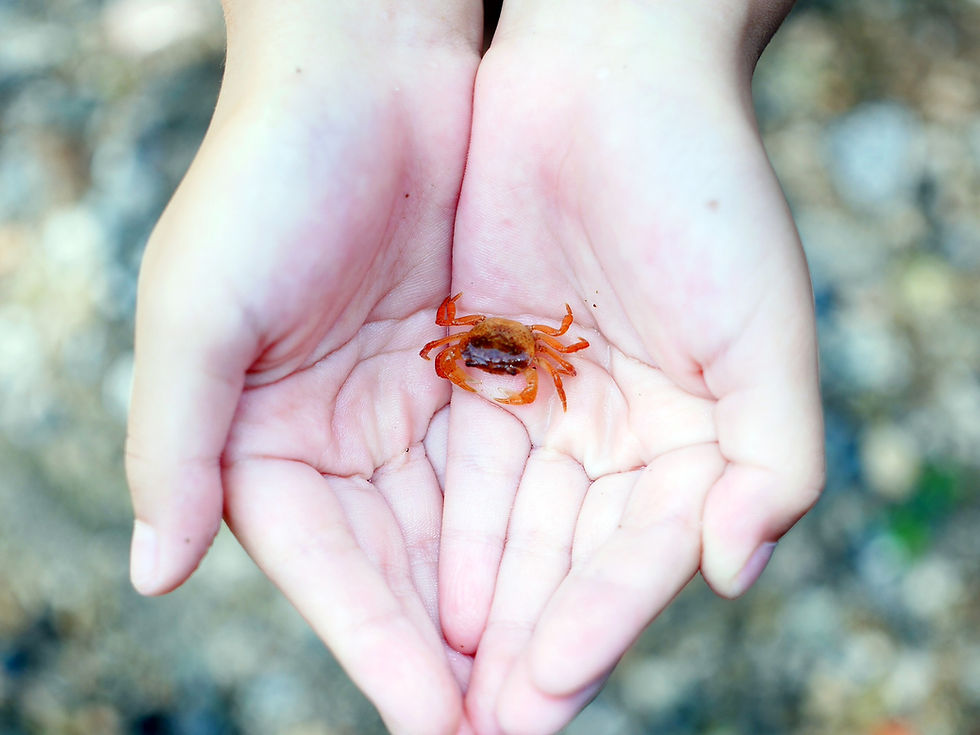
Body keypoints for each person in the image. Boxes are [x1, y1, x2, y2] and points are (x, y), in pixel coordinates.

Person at [124, 1, 825, 733]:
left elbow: (545, 356)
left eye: (500, 359)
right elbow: (446, 348)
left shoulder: (542, 345)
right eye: (479, 357)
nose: (490, 364)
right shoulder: (457, 340)